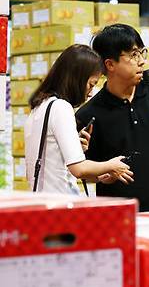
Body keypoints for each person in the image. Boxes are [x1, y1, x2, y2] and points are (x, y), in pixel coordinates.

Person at [76, 24, 149, 211]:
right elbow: (85, 170)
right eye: (133, 55)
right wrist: (101, 174)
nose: (142, 61)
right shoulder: (90, 114)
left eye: (142, 53)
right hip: (119, 216)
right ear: (110, 64)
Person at [25, 44, 132, 194]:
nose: (90, 92)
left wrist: (76, 149)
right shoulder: (61, 107)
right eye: (91, 84)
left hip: (44, 205)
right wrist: (111, 165)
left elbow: (52, 165)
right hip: (62, 206)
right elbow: (78, 169)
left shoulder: (39, 108)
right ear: (77, 79)